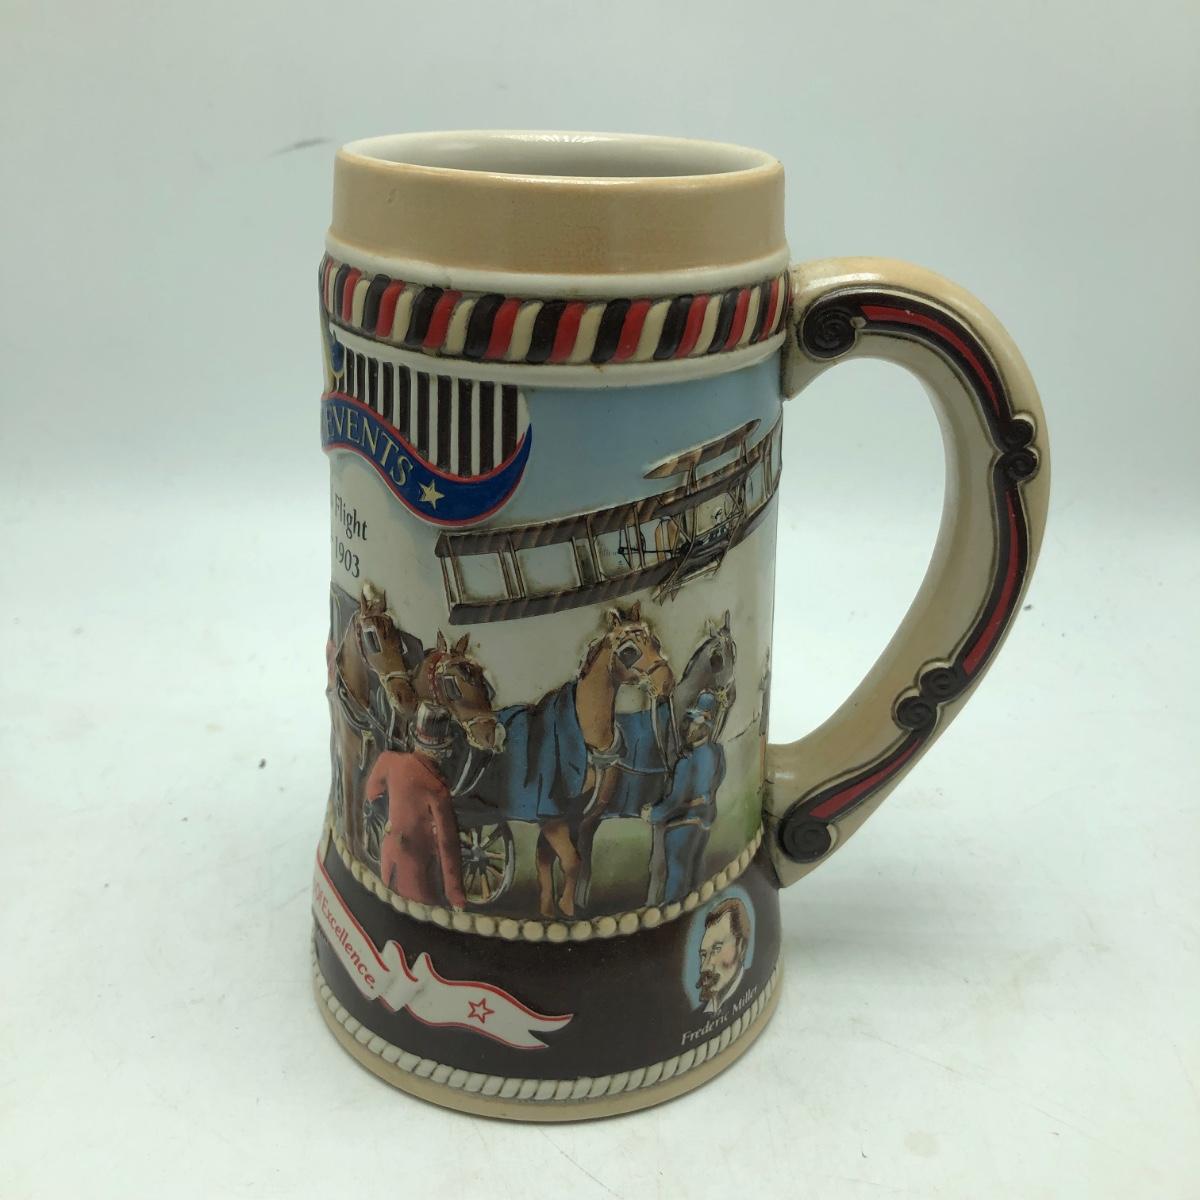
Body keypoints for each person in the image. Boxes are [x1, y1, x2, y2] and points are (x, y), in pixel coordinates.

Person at [364, 703, 467, 910]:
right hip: (417, 871)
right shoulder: (437, 789)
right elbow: (447, 844)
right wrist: (455, 895)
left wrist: (393, 818)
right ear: (441, 749)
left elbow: (372, 792)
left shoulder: (388, 760)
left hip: (389, 856)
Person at [646, 691, 725, 905]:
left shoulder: (686, 762)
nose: (688, 730)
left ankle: (673, 916)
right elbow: (717, 782)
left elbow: (675, 800)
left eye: (693, 725)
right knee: (695, 877)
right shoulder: (718, 753)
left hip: (682, 825)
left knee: (677, 876)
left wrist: (653, 814)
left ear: (704, 727)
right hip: (705, 823)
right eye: (688, 724)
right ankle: (694, 915)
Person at [696, 896, 751, 1013]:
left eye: (716, 949)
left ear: (741, 947)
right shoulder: (697, 1016)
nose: (704, 967)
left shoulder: (752, 984)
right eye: (704, 955)